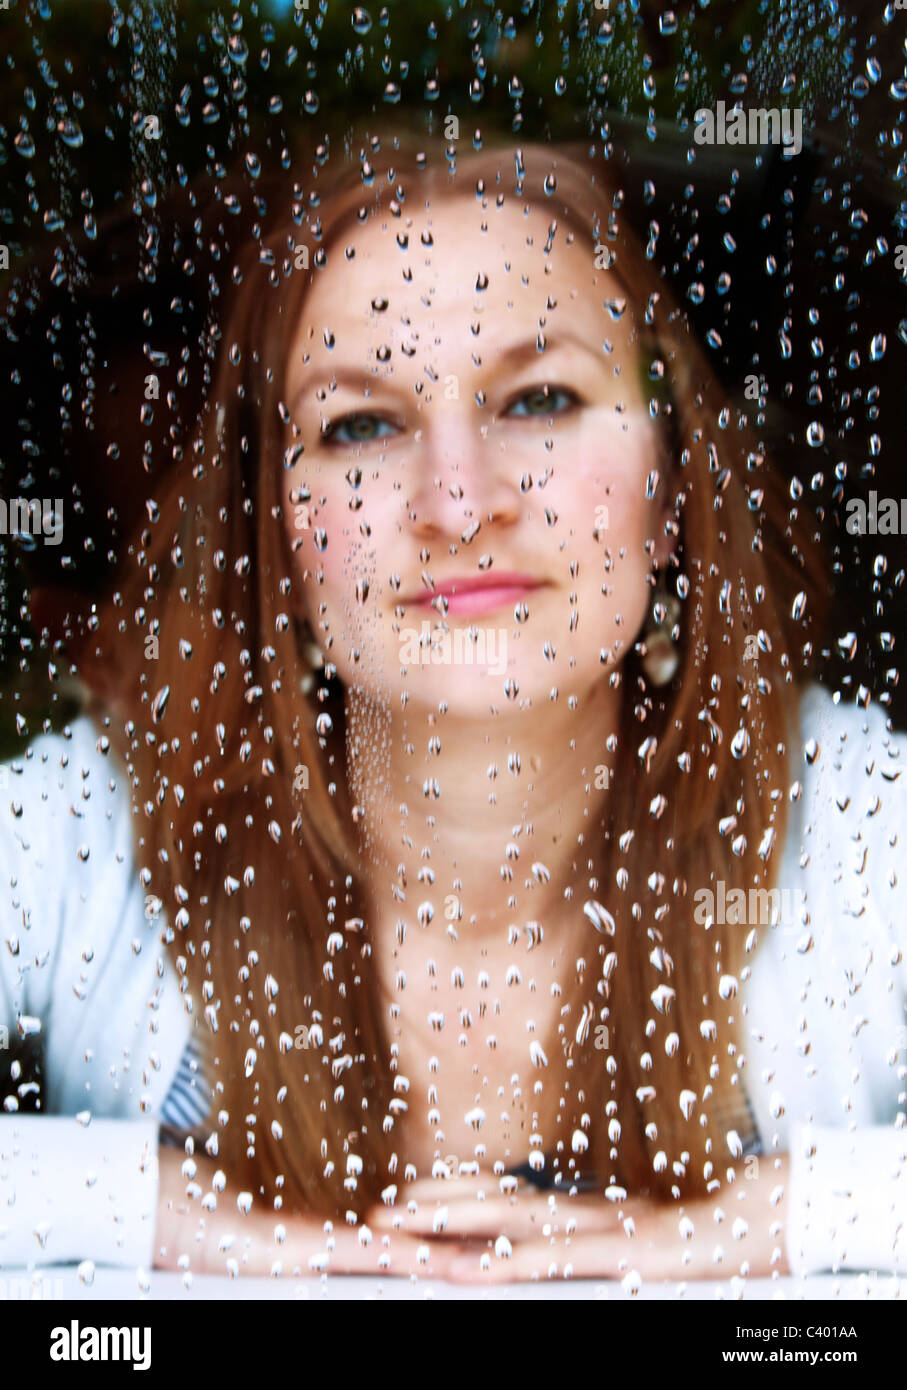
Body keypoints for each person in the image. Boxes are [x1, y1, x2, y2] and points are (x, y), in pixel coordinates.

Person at [1, 124, 904, 1284]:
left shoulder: (851, 816)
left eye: (537, 398)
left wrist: (753, 1226)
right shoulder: (94, 821)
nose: (458, 500)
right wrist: (164, 1215)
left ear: (668, 490)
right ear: (275, 531)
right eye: (360, 424)